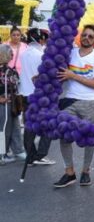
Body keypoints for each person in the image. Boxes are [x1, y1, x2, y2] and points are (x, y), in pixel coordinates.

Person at [54, 24, 94, 187]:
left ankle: (86, 171)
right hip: (70, 100)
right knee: (64, 134)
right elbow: (59, 72)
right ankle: (69, 172)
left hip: (90, 102)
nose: (86, 38)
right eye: (85, 35)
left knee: (89, 138)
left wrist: (73, 76)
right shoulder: (70, 54)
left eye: (91, 36)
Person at [19, 28, 55, 166]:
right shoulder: (41, 55)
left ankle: (31, 156)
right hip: (40, 95)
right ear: (41, 40)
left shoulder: (23, 54)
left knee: (29, 127)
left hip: (25, 94)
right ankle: (40, 155)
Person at [0, 44, 23, 164]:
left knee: (12, 127)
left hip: (10, 103)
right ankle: (2, 155)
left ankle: (16, 150)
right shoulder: (7, 71)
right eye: (10, 53)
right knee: (3, 130)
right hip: (4, 104)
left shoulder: (9, 70)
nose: (12, 55)